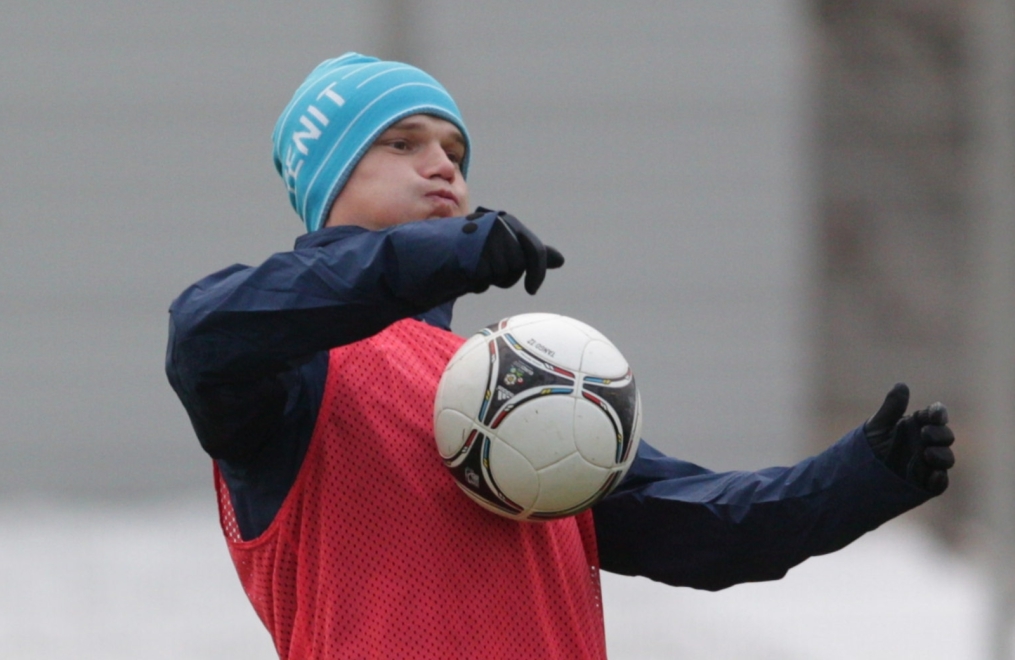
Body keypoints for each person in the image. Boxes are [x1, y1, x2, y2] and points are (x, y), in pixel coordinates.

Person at [165, 53, 956, 659]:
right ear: (325, 180)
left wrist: (857, 479)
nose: (443, 165)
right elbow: (205, 332)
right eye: (402, 142)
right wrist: (435, 256)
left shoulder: (518, 386)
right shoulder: (295, 366)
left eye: (456, 151)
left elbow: (696, 523)